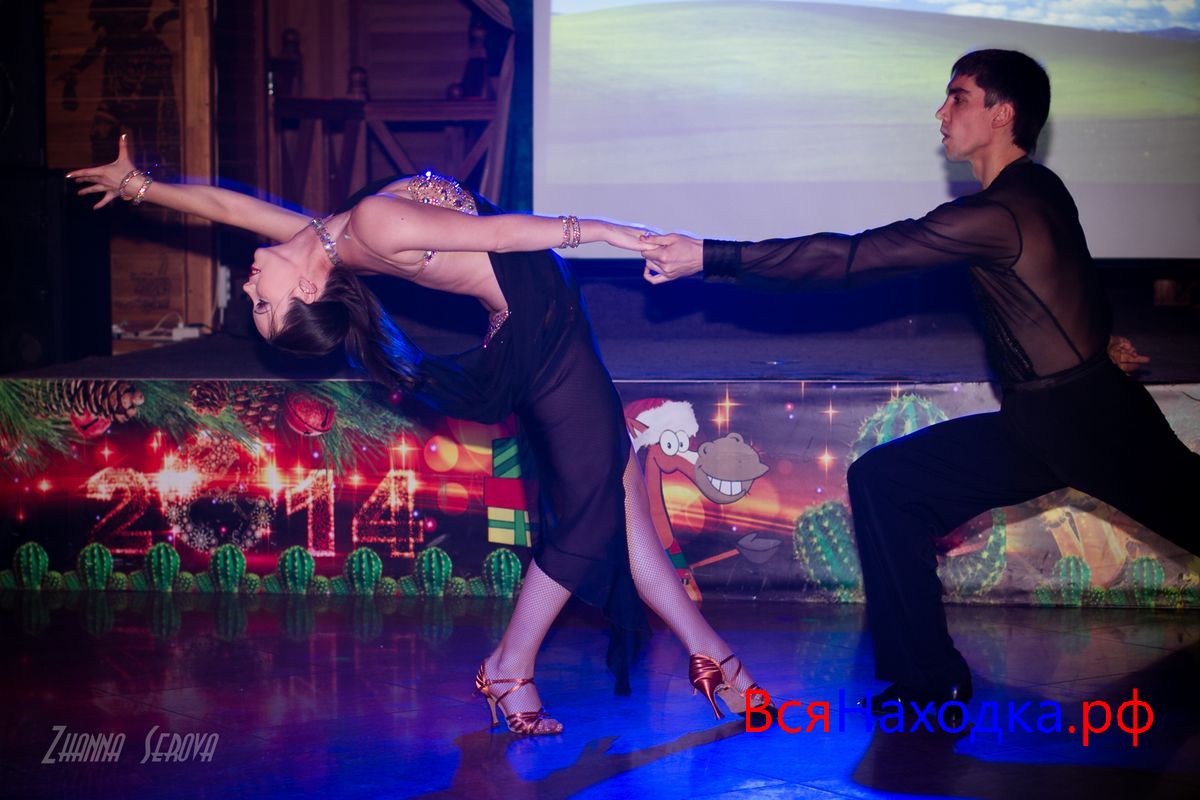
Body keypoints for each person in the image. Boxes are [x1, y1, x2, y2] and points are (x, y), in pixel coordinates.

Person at [68, 135, 768, 735]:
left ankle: (711, 656)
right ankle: (510, 668)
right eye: (263, 305)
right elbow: (500, 236)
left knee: (619, 496)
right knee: (591, 516)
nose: (249, 290)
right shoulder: (369, 227)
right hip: (542, 332)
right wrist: (611, 234)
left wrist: (138, 186)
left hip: (541, 317)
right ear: (306, 293)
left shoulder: (331, 237)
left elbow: (230, 208)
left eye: (255, 304)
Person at [638, 49, 1200, 714]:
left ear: (1003, 114)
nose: (941, 111)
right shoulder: (1035, 192)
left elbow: (849, 259)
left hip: (1088, 419)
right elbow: (1066, 284)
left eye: (958, 97)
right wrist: (1098, 341)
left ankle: (929, 678)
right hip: (1043, 421)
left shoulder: (1001, 213)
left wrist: (710, 255)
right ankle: (929, 679)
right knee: (887, 483)